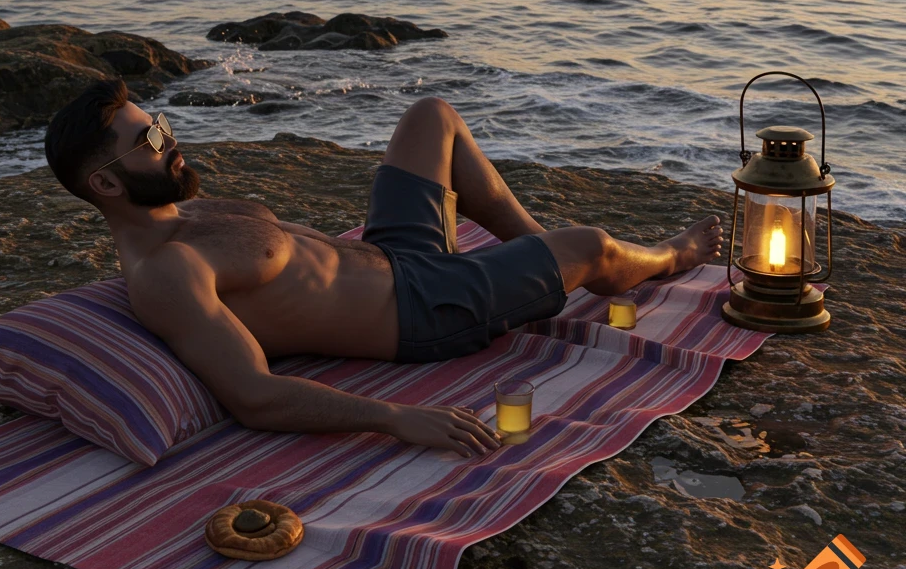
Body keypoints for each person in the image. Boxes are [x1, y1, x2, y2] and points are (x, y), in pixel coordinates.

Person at [44, 78, 723, 457]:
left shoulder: (187, 213)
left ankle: (537, 257)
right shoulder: (166, 273)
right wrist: (395, 418)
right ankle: (662, 259)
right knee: (594, 245)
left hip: (396, 254)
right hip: (425, 310)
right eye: (149, 143)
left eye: (160, 126)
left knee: (432, 115)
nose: (171, 144)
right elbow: (252, 394)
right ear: (106, 185)